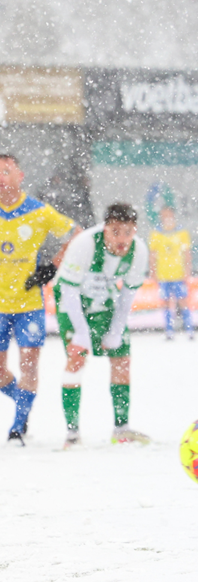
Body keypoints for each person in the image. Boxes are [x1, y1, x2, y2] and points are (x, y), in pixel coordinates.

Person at [54, 203, 150, 448]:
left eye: (128, 232)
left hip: (104, 299)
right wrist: (81, 332)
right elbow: (68, 290)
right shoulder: (84, 244)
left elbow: (127, 295)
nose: (122, 239)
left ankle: (121, 428)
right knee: (76, 358)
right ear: (105, 229)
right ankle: (72, 433)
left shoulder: (139, 251)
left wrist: (116, 331)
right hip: (72, 301)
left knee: (122, 359)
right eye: (116, 232)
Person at [0, 154, 81, 445]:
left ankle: (18, 425)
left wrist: (52, 267)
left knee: (29, 364)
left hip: (29, 304)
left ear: (20, 176)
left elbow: (77, 234)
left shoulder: (38, 211)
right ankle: (24, 400)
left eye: (6, 171)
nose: (0, 178)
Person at [148, 206, 194, 340]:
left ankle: (189, 329)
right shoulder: (156, 233)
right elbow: (153, 253)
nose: (166, 217)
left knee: (183, 301)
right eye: (164, 215)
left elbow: (187, 253)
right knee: (166, 302)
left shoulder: (181, 233)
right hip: (163, 274)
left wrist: (187, 270)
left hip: (178, 273)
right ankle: (169, 330)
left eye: (168, 214)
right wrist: (153, 271)